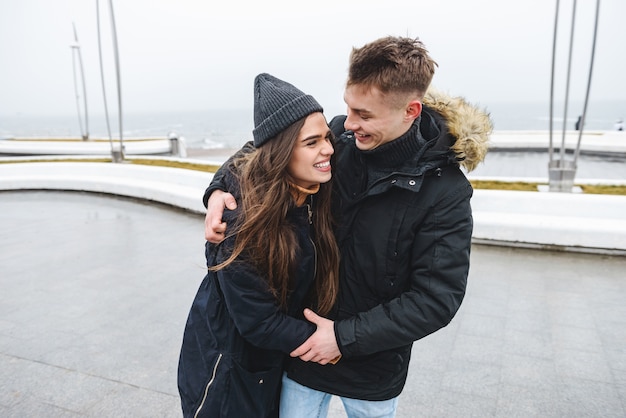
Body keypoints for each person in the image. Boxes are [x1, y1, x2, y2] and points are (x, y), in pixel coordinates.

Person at [204, 36, 492, 417]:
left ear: (411, 110)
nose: (350, 124)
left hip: (372, 372)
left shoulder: (446, 192)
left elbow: (436, 299)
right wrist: (218, 190)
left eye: (365, 115)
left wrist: (341, 338)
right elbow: (266, 150)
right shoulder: (339, 138)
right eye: (349, 108)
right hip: (301, 354)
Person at [177, 73, 340, 418]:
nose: (328, 148)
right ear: (281, 155)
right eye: (312, 143)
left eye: (326, 137)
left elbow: (254, 147)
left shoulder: (306, 192)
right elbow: (260, 322)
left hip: (269, 364)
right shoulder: (244, 226)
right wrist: (336, 340)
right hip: (226, 373)